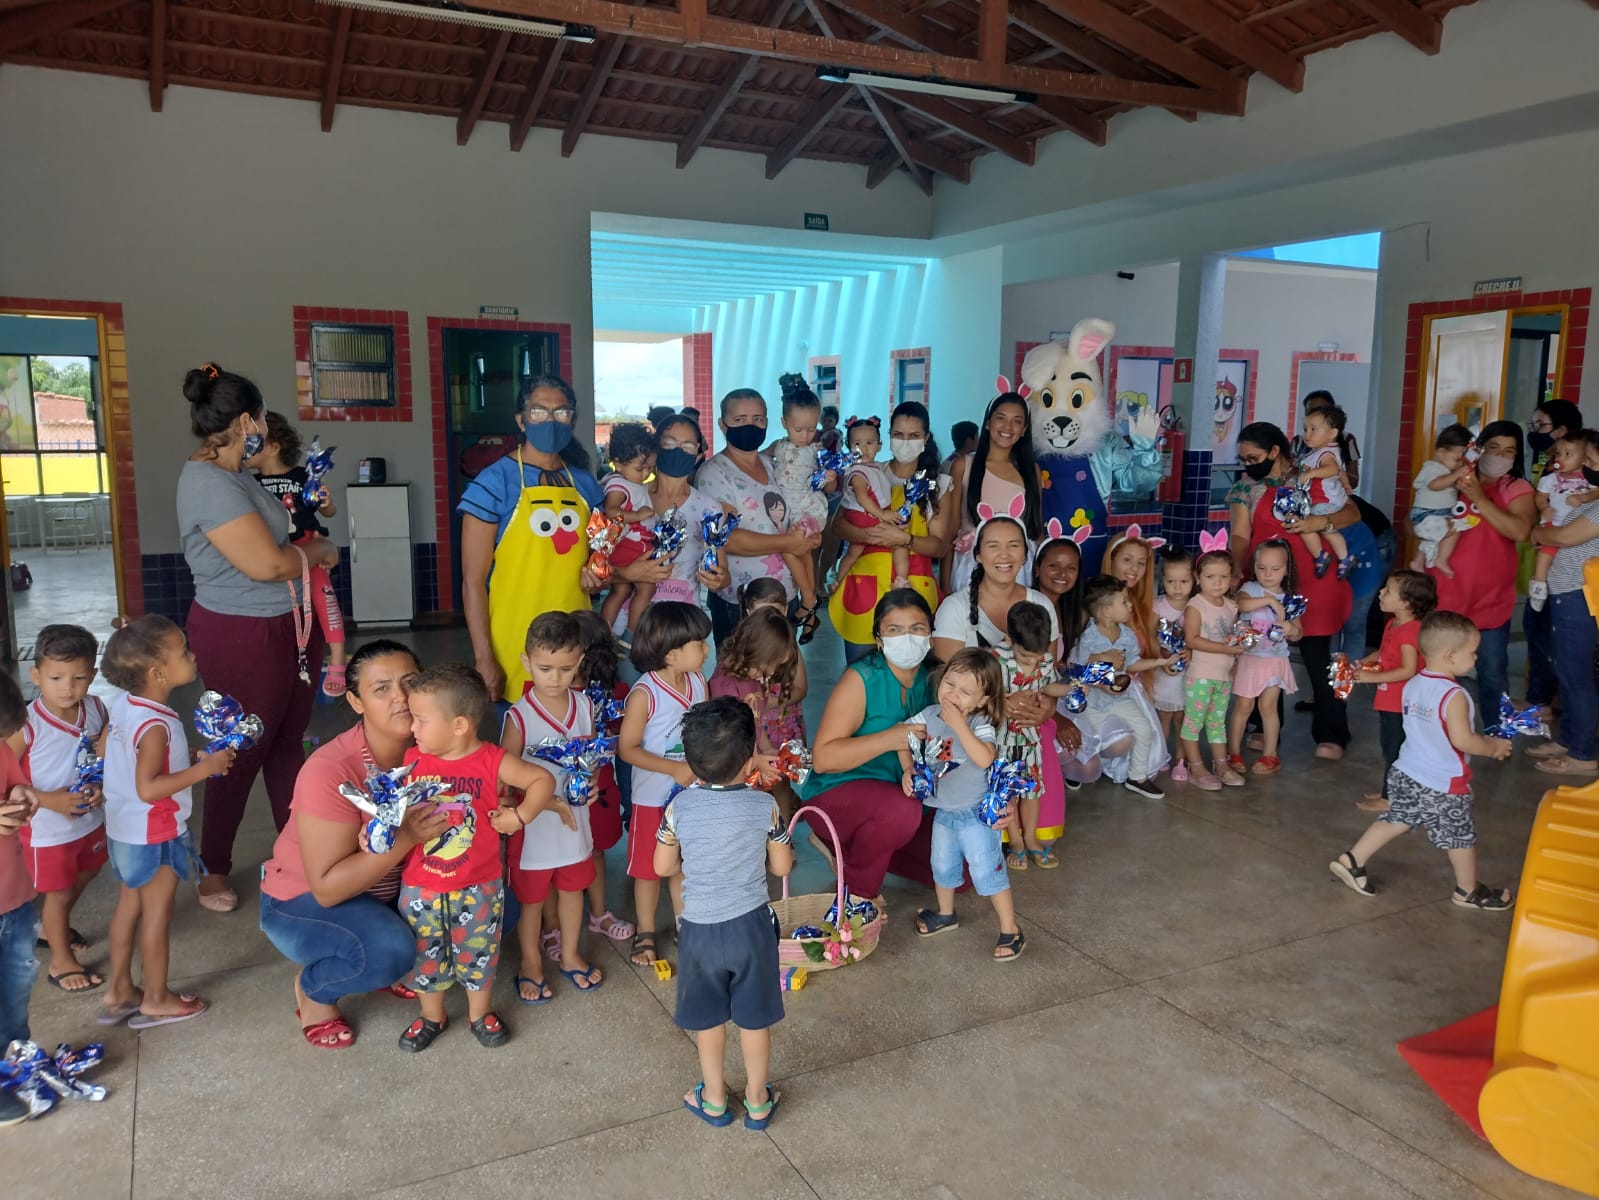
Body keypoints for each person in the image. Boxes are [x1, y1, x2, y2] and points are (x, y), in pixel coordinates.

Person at [176, 363, 338, 912]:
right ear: (246, 420)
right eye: (262, 417)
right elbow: (268, 565)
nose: (266, 426)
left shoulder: (238, 472)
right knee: (240, 749)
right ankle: (213, 866)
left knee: (286, 744)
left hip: (288, 624)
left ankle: (302, 851)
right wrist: (319, 552)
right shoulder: (208, 482)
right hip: (242, 632)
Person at [258, 640, 450, 1049]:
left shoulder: (436, 746)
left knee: (495, 906)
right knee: (387, 951)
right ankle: (314, 991)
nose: (400, 697)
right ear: (356, 702)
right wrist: (407, 837)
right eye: (381, 689)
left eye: (410, 682)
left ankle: (395, 952)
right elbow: (327, 889)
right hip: (304, 902)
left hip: (386, 890)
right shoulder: (331, 770)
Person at [459, 374, 670, 702]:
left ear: (572, 420)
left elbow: (597, 562)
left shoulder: (586, 486)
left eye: (561, 412)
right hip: (516, 638)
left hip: (578, 637)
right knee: (523, 727)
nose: (551, 420)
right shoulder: (493, 484)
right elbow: (472, 582)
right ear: (521, 420)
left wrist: (601, 577)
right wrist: (484, 658)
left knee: (578, 724)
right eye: (538, 411)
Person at [396, 664, 575, 1052]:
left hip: (479, 887)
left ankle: (479, 1014)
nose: (412, 728)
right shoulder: (413, 761)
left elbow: (541, 780)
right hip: (421, 887)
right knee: (425, 955)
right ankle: (432, 1015)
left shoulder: (492, 761)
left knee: (478, 953)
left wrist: (519, 816)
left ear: (459, 725)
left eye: (421, 720)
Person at [656, 697, 793, 1130]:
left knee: (710, 1020)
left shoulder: (679, 807)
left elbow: (663, 866)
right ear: (749, 759)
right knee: (753, 1020)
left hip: (698, 931)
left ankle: (714, 1099)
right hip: (751, 929)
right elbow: (782, 867)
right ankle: (757, 1099)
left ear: (691, 761)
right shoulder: (764, 806)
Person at [100, 615, 234, 1029]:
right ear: (158, 672)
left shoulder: (128, 706)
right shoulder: (156, 725)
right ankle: (157, 998)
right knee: (157, 916)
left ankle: (119, 990)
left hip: (124, 829)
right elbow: (149, 788)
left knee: (128, 908)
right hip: (153, 832)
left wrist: (186, 755)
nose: (193, 656)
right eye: (184, 651)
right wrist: (205, 768)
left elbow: (115, 751)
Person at [1329, 612, 1514, 910]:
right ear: (1450, 656)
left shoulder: (1414, 683)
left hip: (1406, 772)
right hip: (1442, 782)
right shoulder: (1454, 695)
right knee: (1460, 837)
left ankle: (1353, 860)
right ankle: (1467, 891)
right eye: (1472, 652)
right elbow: (1462, 740)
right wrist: (1492, 746)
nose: (1476, 658)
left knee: (1397, 818)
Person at [1231, 422, 1356, 758]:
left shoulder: (1311, 473)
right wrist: (1236, 571)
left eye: (1253, 458)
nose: (1248, 465)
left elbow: (1351, 512)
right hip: (1267, 579)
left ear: (1275, 451)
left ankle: (1332, 731)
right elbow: (1241, 534)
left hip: (1314, 577)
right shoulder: (1246, 488)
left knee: (1318, 656)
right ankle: (1263, 724)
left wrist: (1318, 523)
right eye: (1243, 459)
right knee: (1261, 650)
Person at [802, 590, 938, 895]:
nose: (907, 638)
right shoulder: (861, 679)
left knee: (956, 871)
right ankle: (858, 895)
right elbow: (823, 759)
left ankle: (850, 853)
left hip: (903, 798)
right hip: (840, 794)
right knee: (901, 811)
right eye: (895, 630)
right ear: (879, 639)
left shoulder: (934, 679)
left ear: (930, 634)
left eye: (917, 628)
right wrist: (889, 739)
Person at [501, 614, 604, 1005]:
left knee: (573, 890)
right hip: (534, 830)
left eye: (565, 669)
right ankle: (530, 962)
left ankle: (571, 954)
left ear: (579, 663)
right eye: (545, 669)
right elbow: (504, 777)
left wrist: (592, 782)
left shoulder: (585, 705)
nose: (555, 678)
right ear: (527, 662)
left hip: (575, 825)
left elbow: (591, 755)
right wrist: (546, 802)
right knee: (531, 902)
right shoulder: (519, 716)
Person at [904, 648, 1024, 962]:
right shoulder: (929, 715)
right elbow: (903, 736)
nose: (953, 695)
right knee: (942, 866)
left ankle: (1011, 928)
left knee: (987, 871)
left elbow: (985, 758)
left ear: (983, 700)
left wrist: (959, 725)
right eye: (949, 684)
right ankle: (946, 913)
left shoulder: (980, 722)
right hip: (944, 812)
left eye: (965, 692)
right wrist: (907, 769)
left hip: (976, 815)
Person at [10, 625, 107, 992]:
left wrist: (100, 786)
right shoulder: (25, 725)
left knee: (90, 870)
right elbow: (6, 779)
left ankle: (49, 928)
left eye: (78, 677)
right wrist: (50, 800)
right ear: (36, 675)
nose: (68, 687)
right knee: (59, 892)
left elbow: (102, 754)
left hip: (89, 820)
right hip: (47, 830)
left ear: (92, 675)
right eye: (56, 678)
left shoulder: (95, 708)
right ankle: (60, 961)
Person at [619, 601, 711, 967]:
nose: (707, 650)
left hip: (691, 797)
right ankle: (645, 931)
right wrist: (672, 769)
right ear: (672, 654)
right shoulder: (645, 694)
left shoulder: (698, 682)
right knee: (648, 869)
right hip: (651, 799)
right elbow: (627, 749)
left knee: (684, 863)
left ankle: (683, 924)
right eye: (699, 644)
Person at [1424, 420, 1536, 717]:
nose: (1500, 455)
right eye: (1493, 447)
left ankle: (1496, 734)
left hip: (1491, 598)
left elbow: (1520, 531)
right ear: (1478, 448)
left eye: (1509, 451)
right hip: (1445, 591)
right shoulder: (1451, 477)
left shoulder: (1516, 487)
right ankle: (1438, 733)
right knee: (1437, 670)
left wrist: (1478, 498)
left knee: (1492, 673)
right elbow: (1417, 519)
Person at [829, 402, 953, 663]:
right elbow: (837, 524)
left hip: (912, 589)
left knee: (911, 675)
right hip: (864, 588)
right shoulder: (871, 473)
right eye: (898, 434)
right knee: (862, 672)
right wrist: (867, 536)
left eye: (913, 435)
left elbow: (940, 546)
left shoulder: (938, 484)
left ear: (926, 438)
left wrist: (904, 539)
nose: (905, 442)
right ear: (887, 437)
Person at [695, 388, 819, 645]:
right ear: (722, 424)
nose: (749, 425)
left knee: (782, 667)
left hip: (785, 595)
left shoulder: (774, 465)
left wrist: (809, 535)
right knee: (742, 668)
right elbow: (726, 539)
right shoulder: (714, 473)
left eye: (758, 419)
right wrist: (789, 543)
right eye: (739, 419)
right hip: (742, 602)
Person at [251, 411, 348, 696]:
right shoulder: (249, 483)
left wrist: (327, 503)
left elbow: (327, 511)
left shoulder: (302, 476)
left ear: (273, 446)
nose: (246, 449)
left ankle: (338, 656)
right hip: (272, 551)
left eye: (253, 442)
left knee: (323, 595)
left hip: (307, 545)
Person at [1077, 577, 1174, 798]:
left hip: (1119, 698)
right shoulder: (1088, 636)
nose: (1130, 605)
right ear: (1106, 611)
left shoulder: (1127, 635)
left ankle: (1137, 777)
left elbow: (1131, 664)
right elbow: (1078, 667)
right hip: (1091, 702)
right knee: (1089, 738)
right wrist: (1103, 680)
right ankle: (1075, 769)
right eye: (1124, 601)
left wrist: (1159, 662)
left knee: (1144, 729)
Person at [570, 610, 633, 943]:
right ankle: (553, 927)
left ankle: (598, 914)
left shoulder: (615, 692)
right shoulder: (545, 693)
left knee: (593, 849)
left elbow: (623, 738)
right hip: (556, 787)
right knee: (560, 855)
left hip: (599, 787)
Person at [1527, 487, 1599, 777]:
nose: (1590, 469)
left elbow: (1564, 537)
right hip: (1569, 595)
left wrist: (1540, 533)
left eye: (1594, 465)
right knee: (1567, 674)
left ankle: (1582, 755)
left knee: (1576, 675)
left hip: (1580, 597)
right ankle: (1569, 740)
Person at [709, 603, 804, 822]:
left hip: (751, 759)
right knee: (742, 814)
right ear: (756, 653)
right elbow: (728, 739)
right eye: (769, 666)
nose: (771, 674)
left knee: (779, 783)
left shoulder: (754, 678)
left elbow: (755, 721)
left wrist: (767, 748)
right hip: (732, 768)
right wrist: (755, 760)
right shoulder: (725, 685)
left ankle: (781, 834)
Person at [1350, 570, 1435, 814]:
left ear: (1406, 602)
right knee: (1389, 747)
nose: (1381, 593)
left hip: (1401, 703)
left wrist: (1372, 677)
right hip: (1389, 699)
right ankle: (1389, 789)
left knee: (1395, 749)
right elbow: (1385, 652)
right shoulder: (1393, 624)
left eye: (1388, 591)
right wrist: (1366, 662)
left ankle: (1390, 798)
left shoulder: (1409, 631)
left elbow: (1408, 669)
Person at [1520, 399, 1584, 722]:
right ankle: (1541, 698)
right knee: (1536, 626)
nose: (1535, 432)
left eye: (1541, 425)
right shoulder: (1549, 468)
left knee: (1546, 632)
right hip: (1546, 554)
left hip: (1570, 568)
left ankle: (1547, 702)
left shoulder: (1584, 479)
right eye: (1533, 425)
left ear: (1562, 430)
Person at [994, 603, 1071, 869]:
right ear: (1009, 640)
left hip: (1030, 740)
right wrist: (1003, 701)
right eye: (1025, 656)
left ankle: (1030, 838)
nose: (1032, 662)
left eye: (1037, 657)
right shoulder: (996, 659)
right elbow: (983, 694)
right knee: (1009, 793)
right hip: (1002, 741)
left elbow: (1049, 686)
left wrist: (1071, 688)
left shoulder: (1044, 660)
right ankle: (1015, 842)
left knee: (1031, 792)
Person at [946, 393, 1043, 592]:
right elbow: (951, 529)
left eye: (1017, 421)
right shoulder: (964, 465)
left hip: (1018, 567)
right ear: (988, 423)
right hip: (970, 566)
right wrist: (945, 583)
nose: (1008, 427)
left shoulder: (1031, 471)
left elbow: (1036, 527)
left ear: (1024, 430)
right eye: (1001, 418)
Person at [932, 514, 1058, 660]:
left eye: (1013, 545)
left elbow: (1049, 667)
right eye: (993, 546)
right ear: (978, 555)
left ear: (1025, 555)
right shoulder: (954, 608)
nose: (1004, 555)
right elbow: (949, 672)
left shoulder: (1042, 604)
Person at [765, 375, 833, 643]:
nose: (805, 435)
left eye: (811, 429)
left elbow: (831, 485)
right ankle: (810, 604)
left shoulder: (818, 451)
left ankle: (808, 598)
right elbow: (756, 460)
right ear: (784, 423)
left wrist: (829, 478)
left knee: (789, 547)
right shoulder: (778, 446)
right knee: (801, 552)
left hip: (808, 509)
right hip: (786, 509)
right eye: (798, 429)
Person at [640, 415, 734, 607]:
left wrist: (719, 579)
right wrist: (629, 573)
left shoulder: (708, 508)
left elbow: (723, 574)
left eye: (688, 446)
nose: (679, 451)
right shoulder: (631, 499)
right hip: (629, 619)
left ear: (698, 455)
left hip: (683, 617)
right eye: (669, 443)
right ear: (655, 449)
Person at [1227, 540, 1302, 775]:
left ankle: (1271, 754)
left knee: (1268, 707)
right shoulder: (1250, 588)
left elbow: (1299, 632)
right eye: (1261, 568)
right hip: (1249, 658)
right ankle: (1233, 752)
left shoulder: (1290, 599)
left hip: (1274, 660)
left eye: (1275, 569)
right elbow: (1240, 604)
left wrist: (1290, 629)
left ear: (1287, 569)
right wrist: (1270, 600)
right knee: (1243, 706)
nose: (1268, 574)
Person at [0, 672, 43, 1062]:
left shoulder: (2, 751)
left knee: (16, 988)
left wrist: (22, 794)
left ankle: (14, 1060)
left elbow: (16, 784)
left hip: (14, 901)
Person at [1180, 549, 1243, 790]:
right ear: (1198, 577)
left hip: (1223, 676)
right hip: (1201, 676)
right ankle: (1195, 767)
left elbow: (1233, 638)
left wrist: (1236, 658)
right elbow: (1192, 639)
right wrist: (1226, 650)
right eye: (1210, 577)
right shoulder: (1196, 605)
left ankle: (1221, 765)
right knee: (1193, 722)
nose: (1217, 583)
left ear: (1231, 578)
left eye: (1223, 577)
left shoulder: (1231, 606)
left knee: (1218, 722)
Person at [596, 422, 660, 649]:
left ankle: (604, 636)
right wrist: (638, 515)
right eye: (640, 469)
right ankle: (630, 636)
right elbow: (611, 511)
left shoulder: (629, 481)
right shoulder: (618, 485)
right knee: (647, 587)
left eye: (650, 469)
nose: (646, 474)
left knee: (621, 590)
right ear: (619, 463)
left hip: (627, 545)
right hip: (629, 545)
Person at [835, 417, 911, 590]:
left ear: (879, 445)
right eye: (857, 444)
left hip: (866, 516)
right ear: (848, 446)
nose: (863, 448)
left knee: (853, 552)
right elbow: (862, 498)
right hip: (866, 516)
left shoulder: (873, 468)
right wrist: (883, 515)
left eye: (869, 443)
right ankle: (901, 580)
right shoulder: (858, 472)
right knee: (899, 544)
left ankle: (838, 582)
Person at [1529, 430, 1599, 611]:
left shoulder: (1590, 485)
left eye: (1590, 460)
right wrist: (1544, 510)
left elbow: (1564, 538)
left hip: (1577, 593)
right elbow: (1540, 497)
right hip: (1555, 523)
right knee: (1546, 552)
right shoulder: (1551, 479)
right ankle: (1538, 585)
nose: (1587, 465)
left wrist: (1537, 534)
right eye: (1558, 454)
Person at [1294, 405, 1353, 579]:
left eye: (1313, 429)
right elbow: (1341, 472)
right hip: (1324, 499)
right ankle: (1337, 557)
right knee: (1319, 529)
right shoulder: (1321, 451)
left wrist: (1311, 474)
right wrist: (1346, 485)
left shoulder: (1326, 453)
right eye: (1306, 429)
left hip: (1325, 501)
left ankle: (1327, 556)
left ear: (1332, 433)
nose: (1307, 434)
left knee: (1308, 526)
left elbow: (1332, 469)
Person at [1409, 425, 1474, 575]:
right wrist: (1455, 475)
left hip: (1434, 514)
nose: (1460, 464)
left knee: (1431, 539)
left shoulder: (1446, 471)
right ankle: (1441, 559)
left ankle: (1418, 561)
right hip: (1428, 514)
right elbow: (1435, 485)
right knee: (1454, 530)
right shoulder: (1432, 468)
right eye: (1457, 460)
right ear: (1441, 452)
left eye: (1463, 462)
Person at [1152, 549, 1194, 775]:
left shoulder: (1196, 606)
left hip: (1189, 673)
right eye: (1171, 581)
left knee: (1183, 719)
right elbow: (1149, 635)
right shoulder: (1158, 606)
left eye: (1184, 581)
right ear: (1162, 580)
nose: (1178, 587)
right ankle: (1160, 757)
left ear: (1194, 579)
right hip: (1163, 671)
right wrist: (1159, 655)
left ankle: (1181, 760)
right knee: (1162, 717)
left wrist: (1191, 651)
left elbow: (1201, 637)